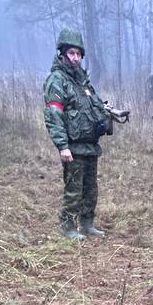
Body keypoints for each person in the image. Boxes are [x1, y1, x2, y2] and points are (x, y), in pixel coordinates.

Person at [43, 28, 120, 241]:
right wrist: (62, 146)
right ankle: (68, 226)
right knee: (73, 189)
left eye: (78, 54)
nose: (75, 58)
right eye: (71, 53)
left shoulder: (82, 81)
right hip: (73, 146)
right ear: (62, 54)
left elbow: (93, 106)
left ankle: (87, 223)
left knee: (90, 189)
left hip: (90, 145)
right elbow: (54, 114)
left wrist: (107, 112)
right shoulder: (57, 80)